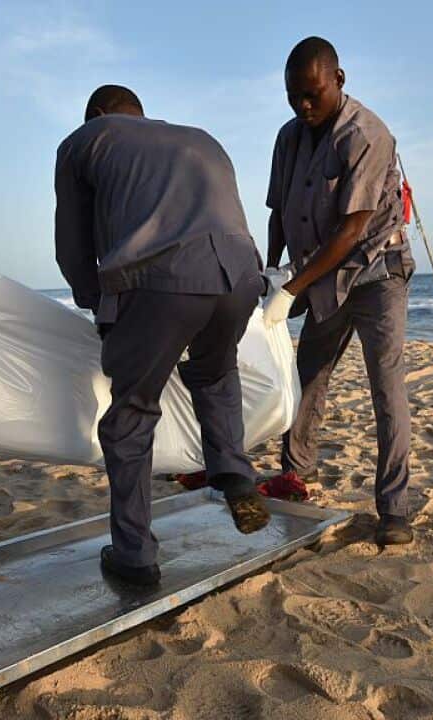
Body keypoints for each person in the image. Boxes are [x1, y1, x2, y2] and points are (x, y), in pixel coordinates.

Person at [55, 84, 271, 587]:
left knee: (130, 417)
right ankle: (234, 472)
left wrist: (97, 308)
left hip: (164, 279)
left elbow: (73, 247)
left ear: (98, 114)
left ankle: (134, 558)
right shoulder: (198, 138)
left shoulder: (85, 140)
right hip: (242, 273)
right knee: (215, 371)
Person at [260, 37, 416, 546]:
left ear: (338, 80)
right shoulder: (289, 138)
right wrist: (272, 274)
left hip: (378, 272)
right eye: (293, 97)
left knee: (386, 389)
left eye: (312, 94)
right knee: (307, 378)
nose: (303, 106)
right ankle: (293, 477)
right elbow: (279, 212)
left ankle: (394, 509)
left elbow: (351, 230)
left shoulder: (367, 134)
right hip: (322, 276)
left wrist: (293, 291)